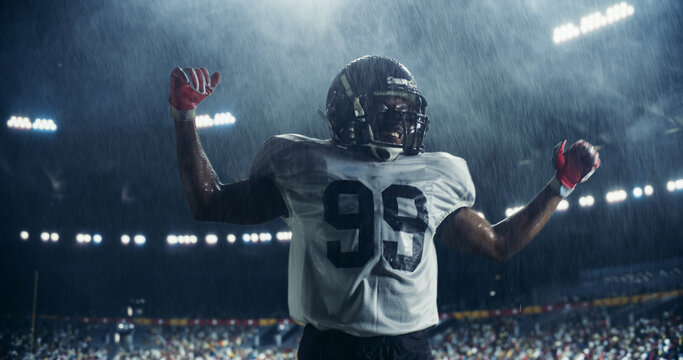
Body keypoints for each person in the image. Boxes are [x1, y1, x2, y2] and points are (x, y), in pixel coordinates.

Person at [169, 55, 600, 360]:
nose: (399, 119)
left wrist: (560, 185)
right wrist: (185, 119)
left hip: (407, 347)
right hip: (331, 347)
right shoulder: (304, 163)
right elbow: (208, 202)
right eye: (385, 107)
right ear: (346, 109)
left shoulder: (435, 173)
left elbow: (499, 244)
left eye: (405, 109)